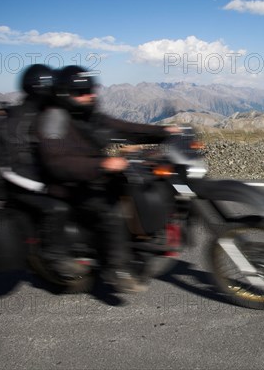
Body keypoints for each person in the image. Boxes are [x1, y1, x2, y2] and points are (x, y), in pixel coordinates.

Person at [36, 65, 179, 293]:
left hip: (94, 176)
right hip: (68, 185)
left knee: (137, 186)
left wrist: (164, 132)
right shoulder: (54, 119)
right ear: (65, 94)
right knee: (111, 211)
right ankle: (117, 269)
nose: (89, 95)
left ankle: (141, 245)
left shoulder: (89, 114)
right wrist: (102, 164)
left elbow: (124, 127)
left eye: (91, 89)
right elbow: (56, 161)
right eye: (81, 92)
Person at [0, 64, 85, 282]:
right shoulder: (18, 119)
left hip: (39, 177)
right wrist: (43, 186)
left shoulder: (42, 114)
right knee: (57, 207)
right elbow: (11, 167)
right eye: (52, 87)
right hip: (21, 184)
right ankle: (54, 256)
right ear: (41, 88)